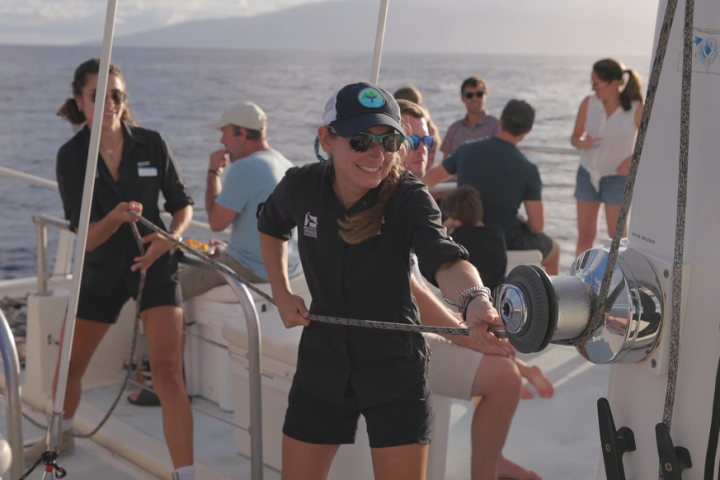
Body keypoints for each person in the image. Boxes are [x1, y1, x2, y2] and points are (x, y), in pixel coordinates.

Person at [258, 82, 506, 480]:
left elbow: (444, 259)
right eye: (361, 141)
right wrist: (282, 292)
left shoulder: (410, 197)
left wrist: (477, 301)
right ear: (327, 139)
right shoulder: (301, 186)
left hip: (395, 367)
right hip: (322, 359)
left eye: (390, 141)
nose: (378, 155)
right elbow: (270, 227)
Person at [28, 58, 197, 480]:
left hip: (155, 264)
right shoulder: (72, 157)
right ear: (79, 101)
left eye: (116, 95)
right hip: (101, 270)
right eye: (97, 96)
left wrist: (169, 238)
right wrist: (116, 218)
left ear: (126, 98)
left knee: (168, 372)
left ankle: (187, 474)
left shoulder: (152, 143)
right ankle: (60, 438)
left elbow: (182, 205)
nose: (108, 103)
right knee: (70, 366)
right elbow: (84, 235)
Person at [400, 103, 550, 479]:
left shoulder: (413, 198)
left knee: (501, 361)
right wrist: (465, 332)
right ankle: (488, 469)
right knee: (503, 377)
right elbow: (408, 291)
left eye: (428, 140)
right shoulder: (393, 202)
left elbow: (439, 270)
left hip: (410, 322)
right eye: (410, 140)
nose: (422, 148)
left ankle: (491, 462)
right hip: (389, 339)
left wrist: (471, 310)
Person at [423, 100, 561, 275]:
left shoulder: (467, 150)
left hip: (465, 234)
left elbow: (432, 178)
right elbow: (537, 226)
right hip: (507, 240)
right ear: (528, 130)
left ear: (501, 121)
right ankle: (549, 300)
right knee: (554, 251)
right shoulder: (528, 169)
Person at [179, 102, 301, 299]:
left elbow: (216, 223)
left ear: (241, 134)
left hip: (254, 269)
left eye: (225, 133)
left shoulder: (245, 167)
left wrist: (213, 174)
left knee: (167, 285)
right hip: (290, 267)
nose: (222, 141)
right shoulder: (286, 164)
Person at [570, 58, 644, 256]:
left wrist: (629, 162)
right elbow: (575, 138)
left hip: (617, 179)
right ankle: (577, 281)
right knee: (585, 237)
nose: (593, 88)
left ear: (613, 83)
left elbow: (649, 144)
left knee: (617, 239)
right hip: (587, 174)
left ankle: (618, 283)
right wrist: (583, 143)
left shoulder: (636, 108)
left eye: (596, 83)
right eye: (591, 83)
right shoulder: (589, 102)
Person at [441, 185, 507, 290]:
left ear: (456, 221)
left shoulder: (458, 238)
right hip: (498, 294)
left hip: (472, 296)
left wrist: (446, 227)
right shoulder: (497, 232)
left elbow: (438, 246)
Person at [439, 76, 500, 160]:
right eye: (469, 95)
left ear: (486, 96)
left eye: (479, 94)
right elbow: (445, 163)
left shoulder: (496, 126)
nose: (475, 99)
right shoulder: (454, 129)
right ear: (463, 98)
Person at [393, 86, 442, 168]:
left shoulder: (423, 124)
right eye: (412, 142)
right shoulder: (429, 127)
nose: (423, 149)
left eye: (428, 141)